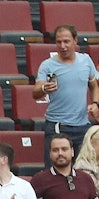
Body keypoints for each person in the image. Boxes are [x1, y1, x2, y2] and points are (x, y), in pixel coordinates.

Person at [33, 25, 99, 164]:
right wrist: (44, 88)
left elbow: (94, 85)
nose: (62, 46)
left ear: (75, 41)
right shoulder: (47, 65)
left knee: (83, 170)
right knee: (55, 169)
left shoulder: (86, 60)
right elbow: (35, 92)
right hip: (58, 125)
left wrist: (95, 103)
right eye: (59, 42)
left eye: (66, 41)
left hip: (82, 125)